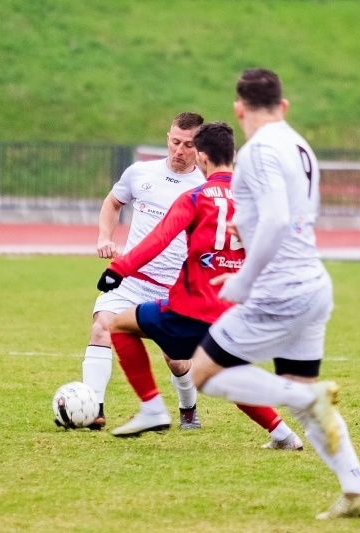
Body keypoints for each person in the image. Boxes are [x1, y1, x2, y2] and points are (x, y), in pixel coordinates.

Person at [188, 69, 360, 519]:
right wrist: (244, 225)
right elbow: (288, 216)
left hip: (278, 291)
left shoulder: (257, 151)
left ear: (239, 108)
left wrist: (244, 280)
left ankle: (305, 401)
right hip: (313, 285)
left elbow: (275, 221)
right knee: (304, 392)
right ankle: (358, 489)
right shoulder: (299, 144)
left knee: (201, 374)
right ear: (284, 106)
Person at [96, 121, 303, 449]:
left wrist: (119, 269)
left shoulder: (194, 196)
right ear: (233, 155)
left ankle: (152, 408)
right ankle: (284, 435)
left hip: (189, 308)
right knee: (223, 374)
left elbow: (160, 238)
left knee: (118, 325)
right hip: (230, 311)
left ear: (202, 158)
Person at [81, 112, 207, 430]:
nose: (180, 150)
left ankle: (187, 408)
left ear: (200, 148)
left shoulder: (205, 186)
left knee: (177, 361)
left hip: (174, 287)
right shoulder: (140, 173)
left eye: (189, 145)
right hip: (132, 280)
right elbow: (112, 203)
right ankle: (93, 409)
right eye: (175, 141)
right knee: (102, 328)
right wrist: (104, 237)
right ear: (167, 137)